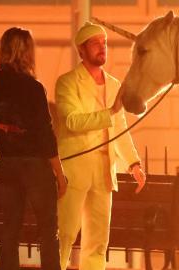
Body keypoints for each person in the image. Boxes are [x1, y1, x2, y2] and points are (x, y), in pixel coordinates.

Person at [55, 22, 146, 270]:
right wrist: (110, 112)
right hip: (75, 171)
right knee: (65, 235)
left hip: (104, 171)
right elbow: (72, 121)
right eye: (95, 43)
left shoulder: (114, 85)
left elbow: (120, 128)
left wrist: (133, 163)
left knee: (98, 242)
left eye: (104, 42)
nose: (101, 47)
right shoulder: (67, 83)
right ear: (81, 50)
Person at [0, 27, 67, 270]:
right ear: (26, 52)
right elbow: (45, 134)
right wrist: (60, 175)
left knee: (10, 230)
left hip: (8, 164)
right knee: (48, 232)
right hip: (34, 166)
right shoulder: (33, 88)